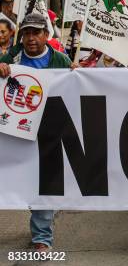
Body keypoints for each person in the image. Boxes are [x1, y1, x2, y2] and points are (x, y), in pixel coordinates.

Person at [0, 13, 74, 252]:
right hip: (15, 131)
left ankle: (42, 237)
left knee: (43, 182)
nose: (31, 38)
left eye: (36, 33)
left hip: (48, 132)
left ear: (46, 35)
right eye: (27, 33)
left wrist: (79, 73)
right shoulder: (11, 57)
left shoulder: (61, 60)